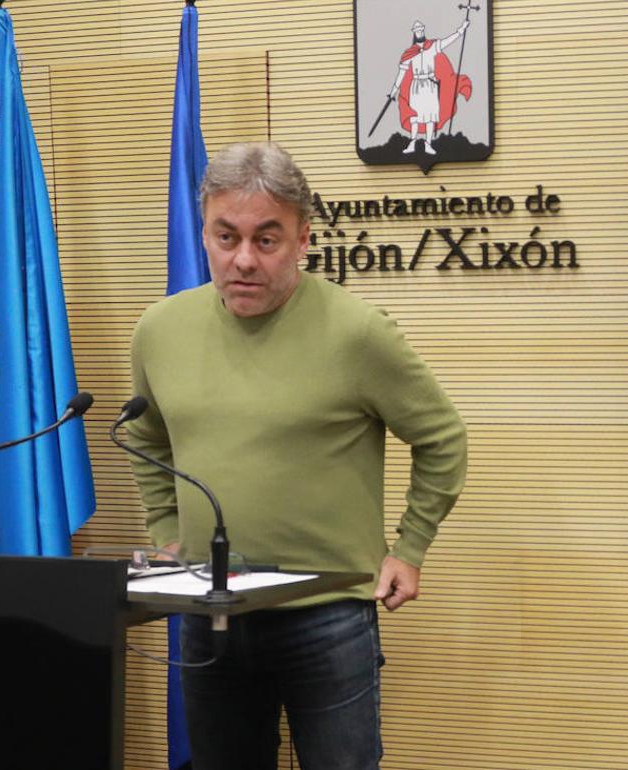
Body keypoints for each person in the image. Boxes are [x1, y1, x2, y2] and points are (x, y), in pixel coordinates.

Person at [127, 141, 468, 769]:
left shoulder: (358, 332)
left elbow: (442, 438)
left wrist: (410, 549)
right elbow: (147, 437)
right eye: (225, 237)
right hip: (211, 607)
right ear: (203, 233)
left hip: (328, 615)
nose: (243, 260)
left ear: (304, 239)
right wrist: (167, 530)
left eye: (266, 239)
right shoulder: (159, 330)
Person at [389, 18, 471, 154]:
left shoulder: (432, 46)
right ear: (414, 33)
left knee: (430, 116)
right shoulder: (409, 54)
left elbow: (448, 41)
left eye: (421, 29)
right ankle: (412, 143)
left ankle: (428, 144)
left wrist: (461, 29)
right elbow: (401, 74)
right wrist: (392, 92)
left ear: (423, 30)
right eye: (417, 30)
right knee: (414, 116)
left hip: (430, 85)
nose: (419, 32)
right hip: (416, 86)